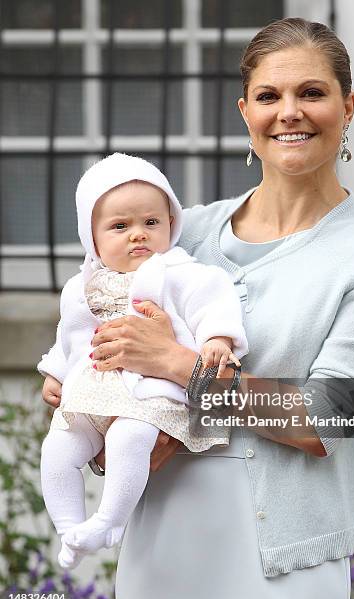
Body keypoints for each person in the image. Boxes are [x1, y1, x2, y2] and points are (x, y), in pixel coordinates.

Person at [89, 17, 354, 599]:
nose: (289, 112)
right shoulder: (183, 235)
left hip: (286, 560)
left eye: (311, 93)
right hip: (163, 539)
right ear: (245, 112)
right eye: (269, 96)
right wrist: (96, 405)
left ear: (349, 105)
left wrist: (184, 368)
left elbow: (324, 423)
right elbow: (112, 346)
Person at [38, 153, 248, 570]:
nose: (139, 235)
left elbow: (212, 301)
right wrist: (55, 373)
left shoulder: (179, 270)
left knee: (128, 438)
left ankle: (110, 521)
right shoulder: (81, 287)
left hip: (150, 393)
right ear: (92, 239)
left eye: (151, 222)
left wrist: (217, 339)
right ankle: (70, 528)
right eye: (120, 226)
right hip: (92, 390)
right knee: (58, 448)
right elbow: (72, 338)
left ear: (170, 224)